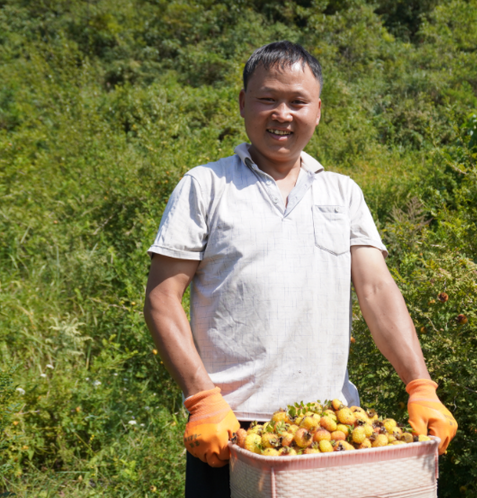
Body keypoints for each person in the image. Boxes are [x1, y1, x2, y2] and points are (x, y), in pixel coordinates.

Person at [144, 40, 457, 497]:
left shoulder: (342, 192)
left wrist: (420, 384)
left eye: (297, 102)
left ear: (318, 110)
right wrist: (201, 399)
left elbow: (376, 291)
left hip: (333, 430)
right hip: (232, 431)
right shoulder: (206, 186)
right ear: (242, 103)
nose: (282, 114)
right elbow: (161, 298)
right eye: (268, 99)